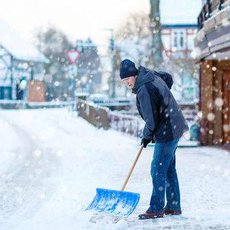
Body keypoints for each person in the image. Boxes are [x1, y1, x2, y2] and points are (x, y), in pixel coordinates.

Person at [119, 59, 189, 220]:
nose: (127, 83)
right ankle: (173, 206)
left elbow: (151, 119)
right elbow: (168, 78)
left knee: (157, 169)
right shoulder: (150, 77)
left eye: (128, 78)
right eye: (124, 80)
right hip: (174, 125)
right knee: (168, 168)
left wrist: (146, 136)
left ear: (134, 75)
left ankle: (156, 208)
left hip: (168, 129)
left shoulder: (144, 88)